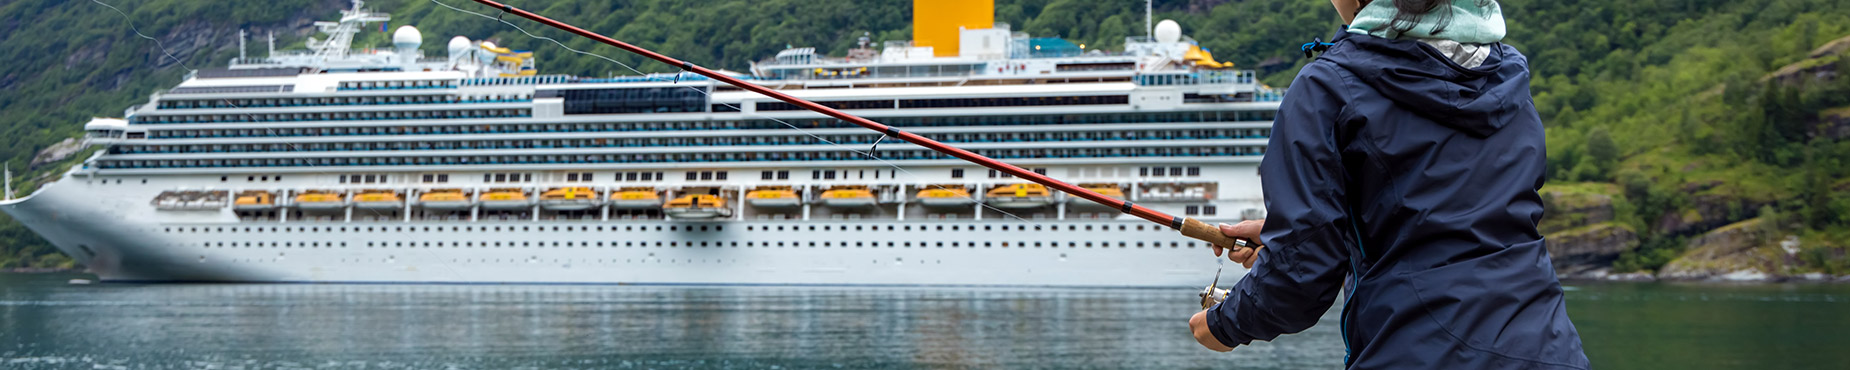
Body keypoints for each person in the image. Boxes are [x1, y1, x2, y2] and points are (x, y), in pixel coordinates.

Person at [1186, 0, 1592, 369]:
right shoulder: (1508, 77)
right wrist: (1337, 235)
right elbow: (1456, 224)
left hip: (1418, 353)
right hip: (1550, 349)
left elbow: (1300, 277)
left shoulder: (1326, 87)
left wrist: (1223, 325)